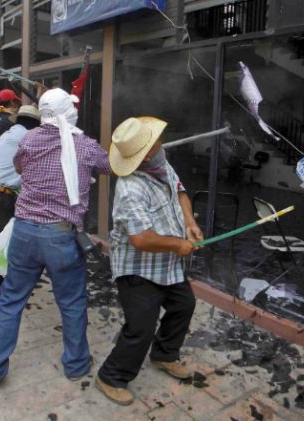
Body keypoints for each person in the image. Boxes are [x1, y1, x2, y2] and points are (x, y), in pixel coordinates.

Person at [0, 88, 111, 385]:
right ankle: (76, 365)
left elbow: (20, 167)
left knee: (11, 299)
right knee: (73, 303)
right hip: (61, 236)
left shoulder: (29, 138)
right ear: (69, 113)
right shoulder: (86, 146)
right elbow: (111, 166)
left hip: (24, 231)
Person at [94, 117, 202, 405]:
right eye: (156, 141)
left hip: (167, 265)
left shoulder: (161, 163)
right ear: (146, 153)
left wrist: (189, 222)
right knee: (141, 327)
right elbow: (140, 239)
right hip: (138, 269)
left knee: (184, 305)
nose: (160, 143)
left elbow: (179, 191)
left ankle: (164, 354)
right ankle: (110, 376)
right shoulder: (130, 188)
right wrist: (179, 243)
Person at [0, 105, 41, 303]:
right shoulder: (27, 138)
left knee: (1, 239)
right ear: (35, 124)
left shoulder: (8, 134)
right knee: (2, 241)